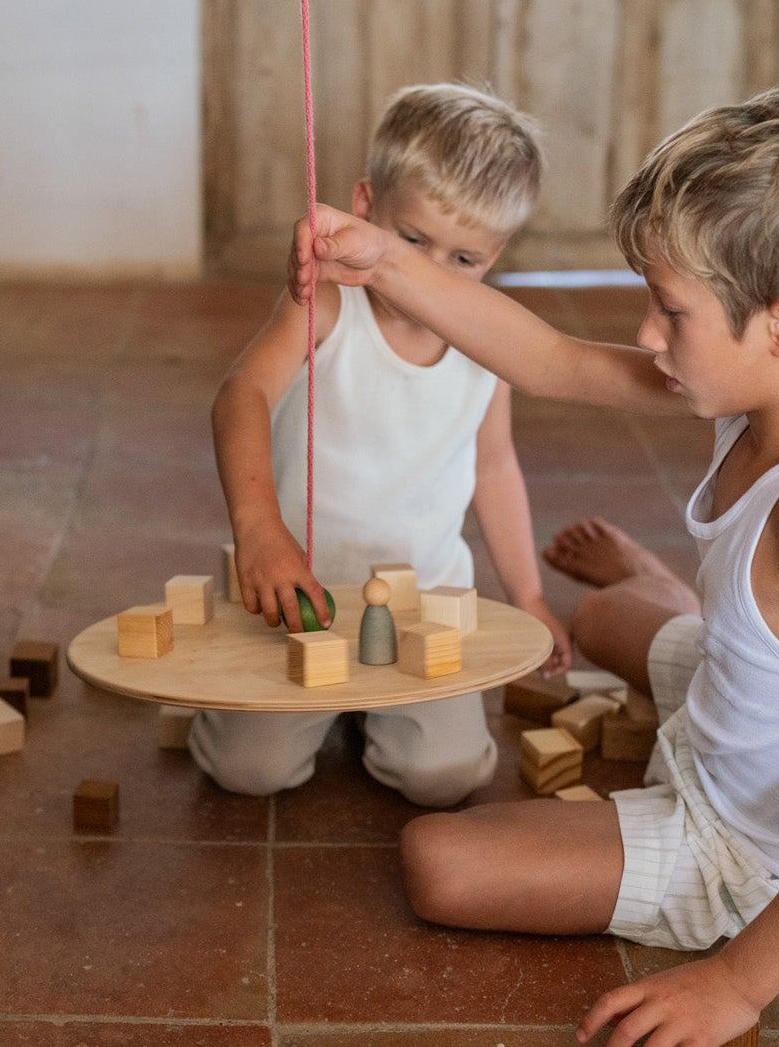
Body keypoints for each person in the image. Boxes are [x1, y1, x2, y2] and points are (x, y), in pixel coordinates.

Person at [290, 84, 779, 1047]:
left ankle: (691, 623)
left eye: (669, 309)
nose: (646, 332)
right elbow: (550, 360)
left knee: (439, 859)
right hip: (743, 716)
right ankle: (692, 611)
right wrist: (381, 257)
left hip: (760, 853)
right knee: (595, 623)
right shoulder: (773, 389)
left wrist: (738, 983)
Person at [192, 82, 571, 808]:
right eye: (413, 240)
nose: (430, 273)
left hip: (422, 601)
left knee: (447, 779)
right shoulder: (327, 304)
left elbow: (495, 468)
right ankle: (253, 702)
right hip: (297, 595)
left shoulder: (491, 341)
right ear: (364, 208)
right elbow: (239, 396)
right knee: (251, 773)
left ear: (497, 255)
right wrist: (260, 531)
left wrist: (528, 595)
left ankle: (368, 710)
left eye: (465, 259)